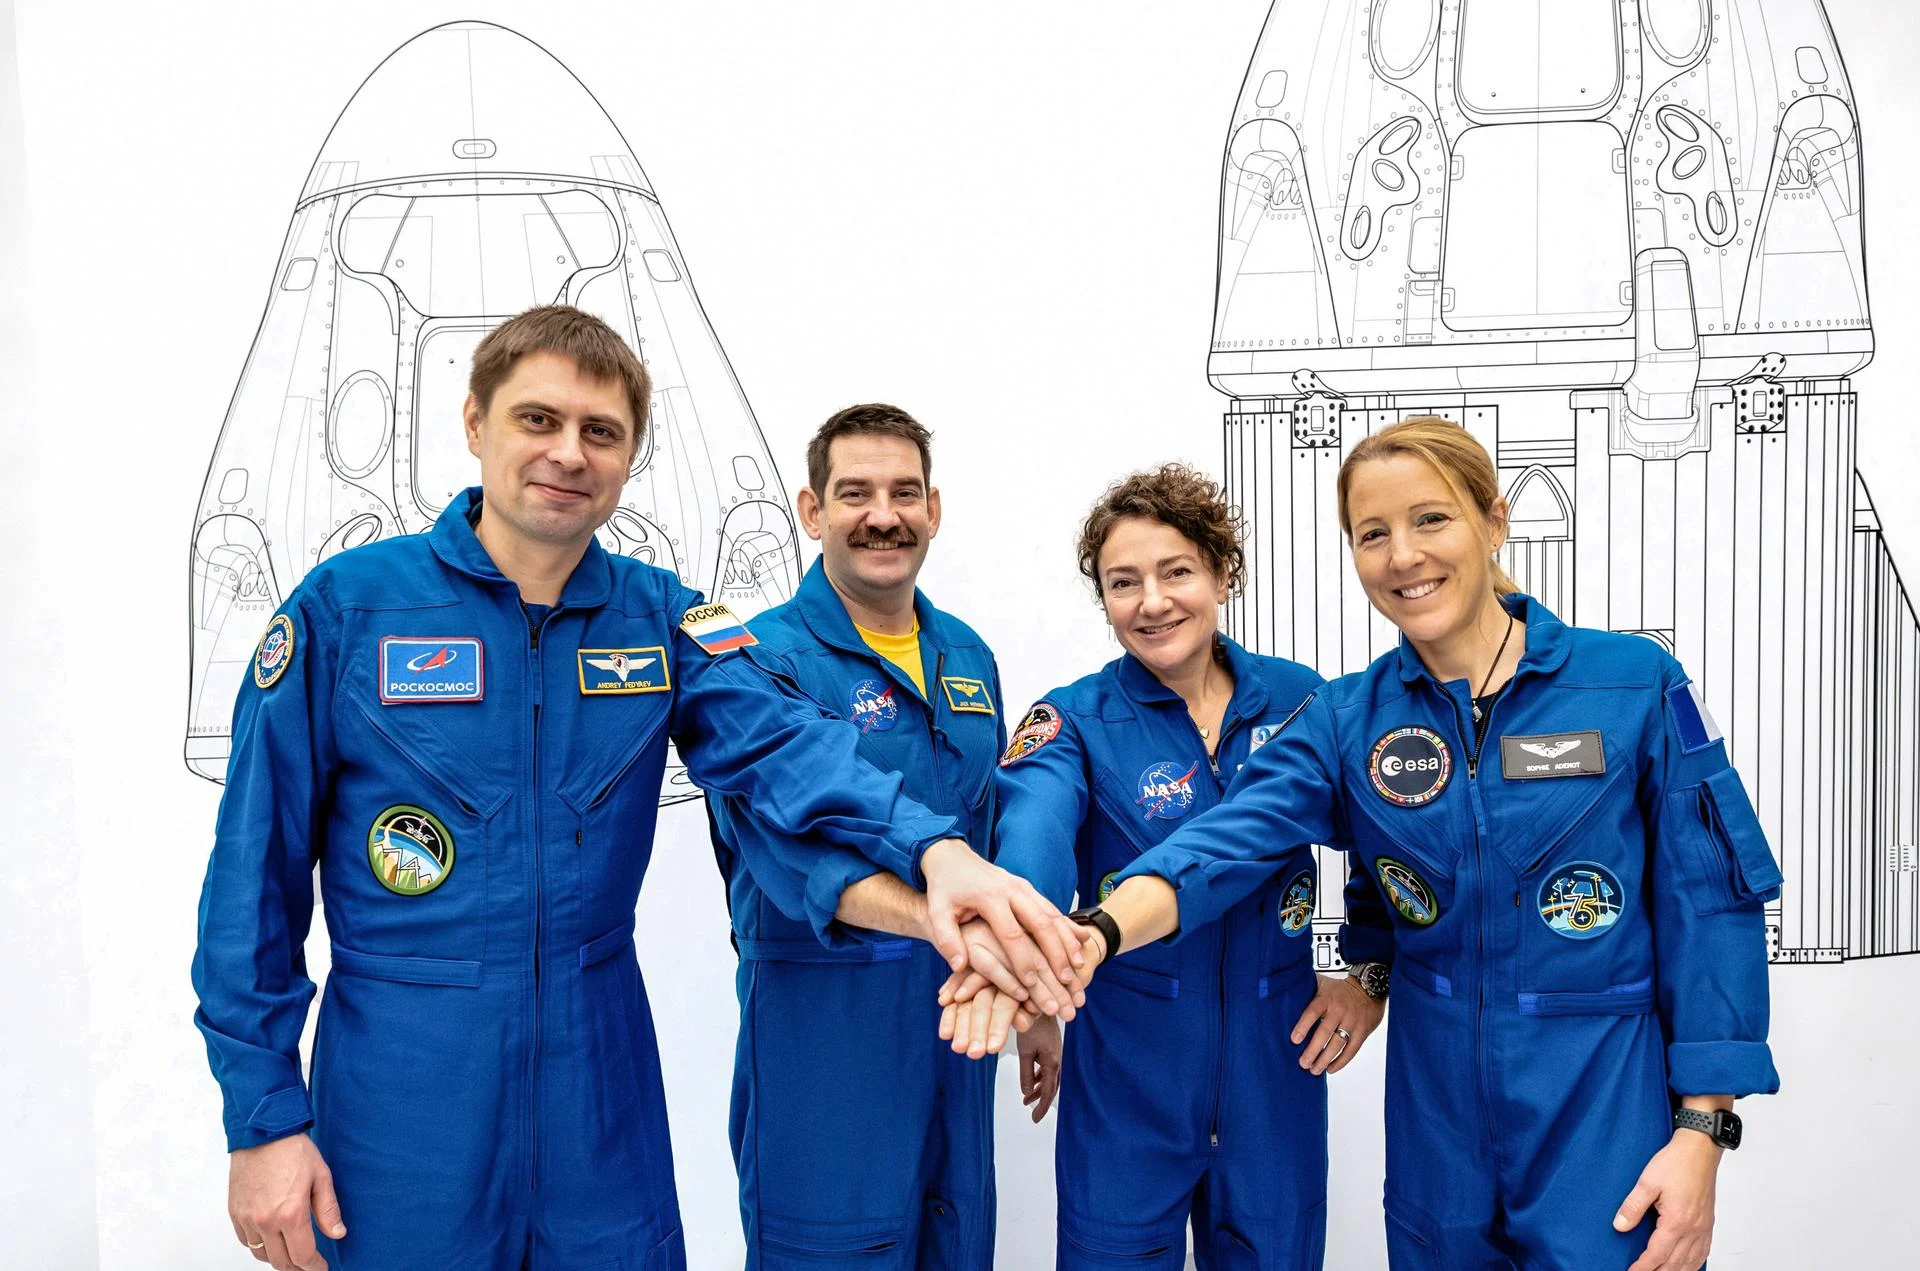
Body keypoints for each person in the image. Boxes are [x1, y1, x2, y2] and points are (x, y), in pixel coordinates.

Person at [191, 311, 1077, 1271]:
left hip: (599, 1078)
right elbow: (251, 880)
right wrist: (262, 1118)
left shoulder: (662, 619)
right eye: (539, 419)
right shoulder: (349, 609)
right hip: (404, 1082)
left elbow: (786, 743)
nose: (569, 453)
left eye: (601, 431)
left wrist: (934, 849)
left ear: (628, 458)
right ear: (475, 423)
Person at [1083, 418, 1780, 1271]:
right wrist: (1099, 933)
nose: (1403, 555)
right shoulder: (1348, 719)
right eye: (1372, 533)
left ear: (1493, 522)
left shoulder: (1632, 683)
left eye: (1430, 519)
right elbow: (1229, 840)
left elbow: (1710, 904)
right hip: (1436, 1129)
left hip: (1601, 1111)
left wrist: (1703, 1129)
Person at [962, 464, 1387, 1269]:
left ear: (1222, 573)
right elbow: (1032, 841)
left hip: (1278, 1077)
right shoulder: (1074, 719)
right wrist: (1029, 975)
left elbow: (1386, 838)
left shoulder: (1306, 703)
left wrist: (1366, 972)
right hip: (1128, 1078)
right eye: (1123, 582)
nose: (1151, 601)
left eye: (1176, 572)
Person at [707, 404, 1087, 1270]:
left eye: (904, 493)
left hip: (961, 1020)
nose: (884, 515)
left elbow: (988, 835)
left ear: (934, 508)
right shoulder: (757, 661)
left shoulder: (966, 655)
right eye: (855, 494)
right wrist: (964, 936)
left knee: (957, 1241)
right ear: (812, 512)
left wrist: (1028, 991)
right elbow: (791, 856)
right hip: (824, 1036)